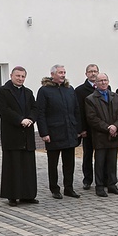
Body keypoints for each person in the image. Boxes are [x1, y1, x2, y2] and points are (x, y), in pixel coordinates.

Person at [0, 66, 38, 207]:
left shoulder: (28, 92)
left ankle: (28, 195)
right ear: (11, 75)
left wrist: (31, 118)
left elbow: (35, 108)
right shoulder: (2, 91)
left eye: (23, 76)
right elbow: (4, 110)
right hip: (12, 134)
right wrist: (20, 119)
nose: (20, 79)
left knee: (28, 166)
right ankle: (12, 196)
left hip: (27, 134)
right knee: (13, 166)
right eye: (17, 76)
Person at [37, 64, 81, 199]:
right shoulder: (44, 91)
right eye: (60, 72)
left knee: (69, 163)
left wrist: (78, 129)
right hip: (54, 133)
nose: (63, 75)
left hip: (69, 132)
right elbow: (40, 113)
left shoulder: (69, 89)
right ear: (52, 74)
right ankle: (54, 188)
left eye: (64, 72)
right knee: (53, 164)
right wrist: (44, 133)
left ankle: (69, 188)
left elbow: (76, 110)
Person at [85, 73, 118, 197]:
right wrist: (107, 127)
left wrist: (115, 126)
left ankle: (112, 185)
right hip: (101, 136)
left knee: (112, 161)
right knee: (100, 162)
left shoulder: (116, 96)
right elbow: (92, 118)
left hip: (114, 134)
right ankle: (100, 186)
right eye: (100, 81)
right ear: (96, 83)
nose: (103, 83)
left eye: (105, 80)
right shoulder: (90, 99)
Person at [74, 64, 101, 190]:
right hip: (88, 129)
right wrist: (81, 129)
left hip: (101, 129)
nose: (93, 74)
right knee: (88, 155)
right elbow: (78, 111)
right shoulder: (80, 90)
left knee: (101, 155)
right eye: (90, 71)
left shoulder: (104, 87)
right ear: (86, 74)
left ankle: (102, 178)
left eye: (95, 71)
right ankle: (87, 179)